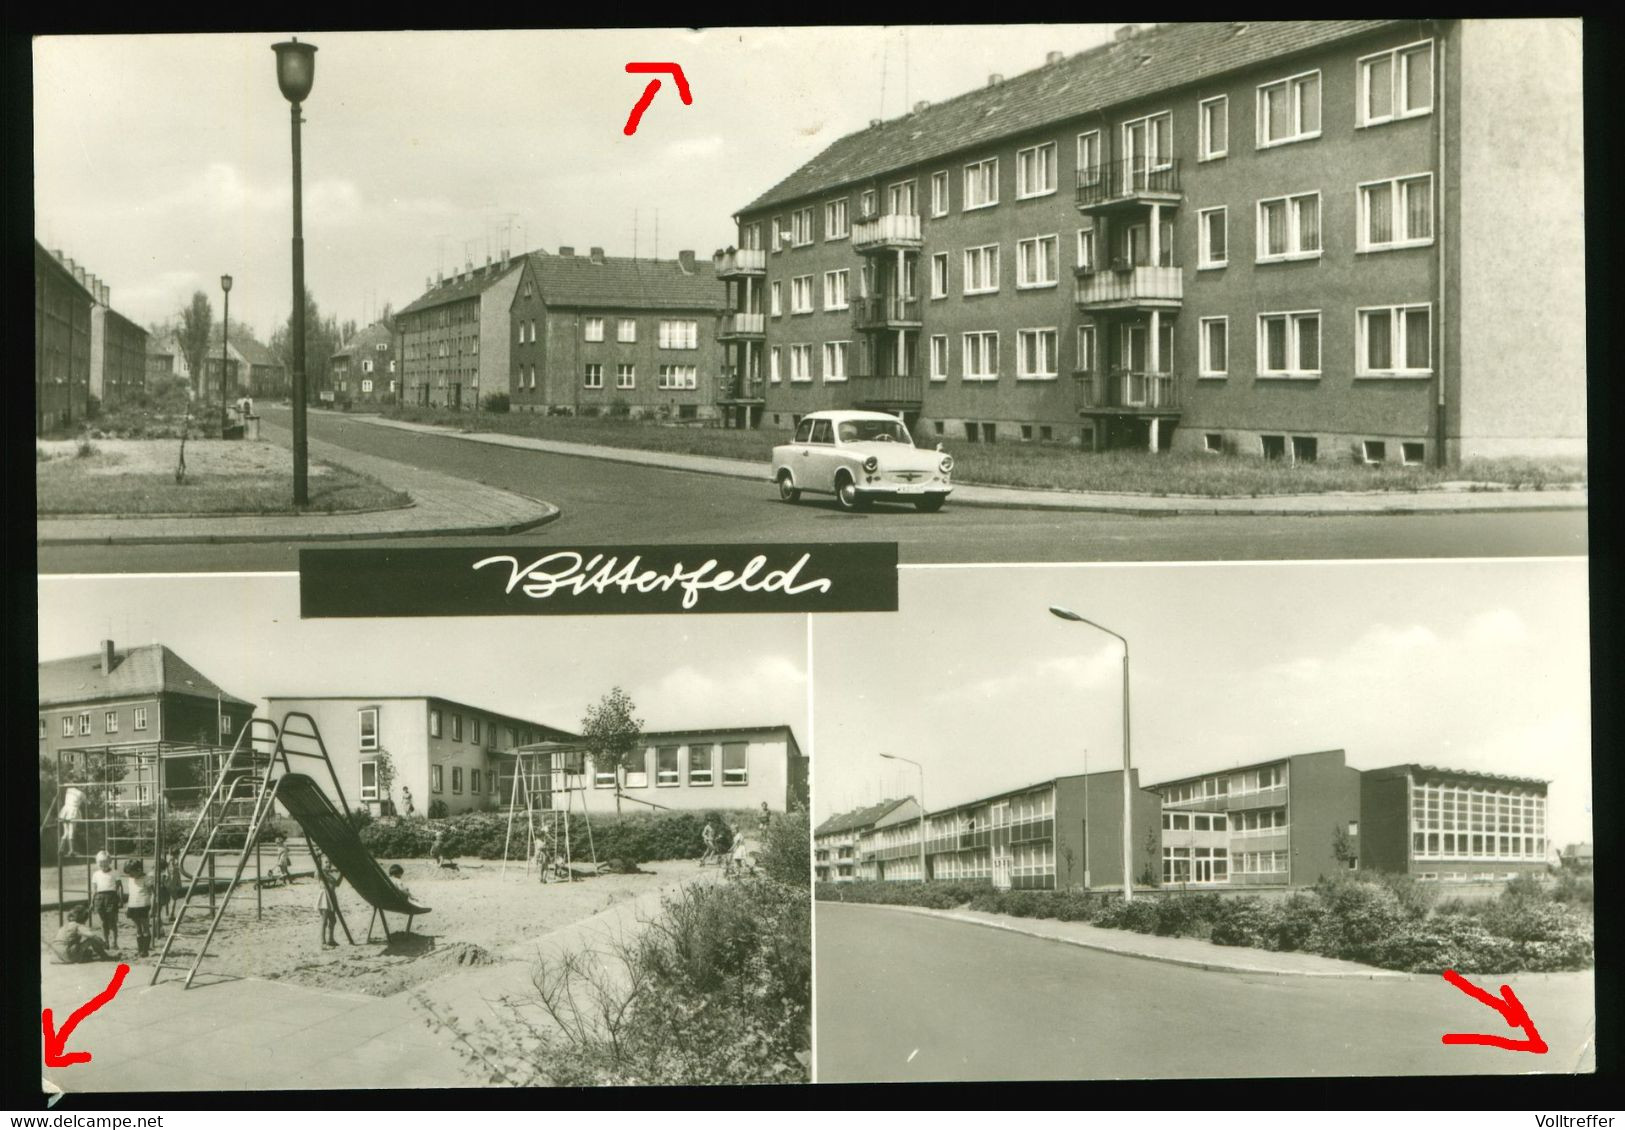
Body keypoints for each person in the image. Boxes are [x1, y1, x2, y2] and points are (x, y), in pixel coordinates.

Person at [89, 854, 123, 950]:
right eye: (101, 862)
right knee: (103, 922)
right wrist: (92, 902)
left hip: (111, 897)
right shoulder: (96, 874)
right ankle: (106, 942)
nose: (103, 864)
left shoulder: (115, 873)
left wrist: (120, 899)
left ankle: (114, 942)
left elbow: (119, 888)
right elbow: (94, 890)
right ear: (97, 863)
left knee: (112, 922)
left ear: (110, 862)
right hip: (99, 898)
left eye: (105, 862)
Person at [122, 859, 152, 958]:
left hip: (143, 905)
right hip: (133, 906)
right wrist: (127, 906)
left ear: (139, 870)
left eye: (132, 873)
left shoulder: (146, 878)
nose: (130, 875)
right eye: (129, 873)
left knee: (145, 927)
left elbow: (152, 893)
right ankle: (140, 950)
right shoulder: (131, 879)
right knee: (138, 929)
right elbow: (131, 894)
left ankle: (145, 950)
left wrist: (152, 906)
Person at [315, 863, 343, 948]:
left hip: (332, 897)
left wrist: (342, 874)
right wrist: (319, 865)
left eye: (329, 863)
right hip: (325, 897)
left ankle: (330, 939)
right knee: (324, 920)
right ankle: (323, 943)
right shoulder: (321, 874)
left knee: (333, 920)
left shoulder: (329, 876)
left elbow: (337, 884)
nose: (328, 865)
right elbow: (317, 873)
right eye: (326, 863)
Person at [58, 786, 85, 854]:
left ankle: (61, 849)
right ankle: (71, 850)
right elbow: (86, 801)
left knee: (66, 832)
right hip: (73, 811)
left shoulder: (68, 790)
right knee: (71, 831)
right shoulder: (80, 793)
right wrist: (82, 799)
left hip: (66, 810)